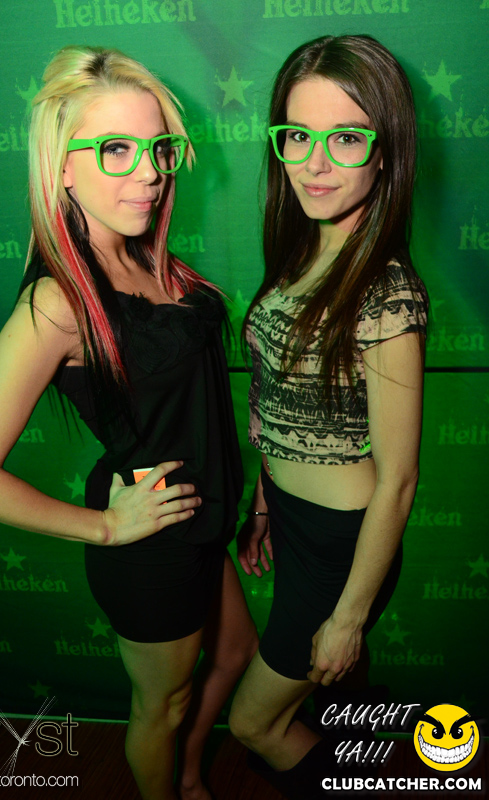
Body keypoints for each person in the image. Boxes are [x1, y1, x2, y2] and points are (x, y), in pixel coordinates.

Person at [0, 46, 258, 800]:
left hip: (202, 518)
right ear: (62, 167)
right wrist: (104, 527)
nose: (150, 173)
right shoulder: (58, 302)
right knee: (163, 705)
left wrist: (249, 501)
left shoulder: (154, 264)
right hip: (151, 545)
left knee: (233, 657)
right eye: (116, 150)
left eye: (158, 149)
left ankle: (187, 776)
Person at [229, 34, 428, 798]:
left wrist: (347, 617)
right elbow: (277, 396)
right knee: (332, 704)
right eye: (296, 136)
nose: (313, 164)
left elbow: (399, 480)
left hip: (344, 546)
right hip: (292, 517)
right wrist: (262, 501)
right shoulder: (301, 249)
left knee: (254, 726)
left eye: (344, 138)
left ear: (386, 153)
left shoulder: (385, 295)